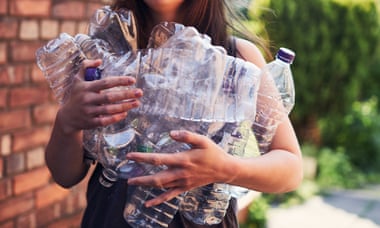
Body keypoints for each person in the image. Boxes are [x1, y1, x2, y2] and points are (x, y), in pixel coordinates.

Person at [44, 0, 303, 227]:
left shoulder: (238, 58)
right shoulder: (102, 53)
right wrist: (67, 122)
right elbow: (65, 176)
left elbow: (291, 167)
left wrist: (225, 168)